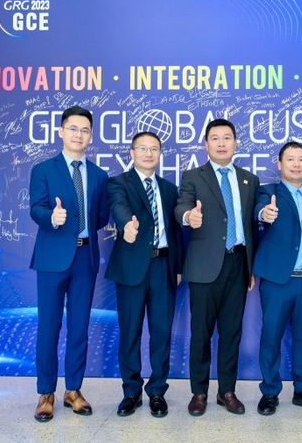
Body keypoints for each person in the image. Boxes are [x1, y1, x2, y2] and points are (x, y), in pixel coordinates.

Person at [29, 105, 110, 422]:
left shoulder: (99, 175)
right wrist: (52, 216)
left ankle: (73, 390)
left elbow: (100, 216)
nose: (79, 134)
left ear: (91, 136)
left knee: (79, 327)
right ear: (61, 132)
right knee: (49, 326)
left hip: (85, 258)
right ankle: (46, 392)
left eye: (85, 130)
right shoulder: (43, 170)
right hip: (52, 259)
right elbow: (35, 208)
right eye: (73, 129)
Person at [174, 118, 259, 416]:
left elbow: (251, 225)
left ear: (235, 143)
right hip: (204, 266)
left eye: (227, 137)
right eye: (215, 138)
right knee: (201, 332)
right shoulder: (193, 176)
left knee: (231, 332)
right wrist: (189, 217)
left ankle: (227, 391)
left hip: (238, 263)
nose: (221, 143)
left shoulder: (249, 179)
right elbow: (181, 206)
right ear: (206, 144)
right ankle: (199, 392)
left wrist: (250, 267)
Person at [106, 131, 183, 418]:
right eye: (142, 148)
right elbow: (119, 207)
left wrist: (178, 267)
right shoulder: (119, 183)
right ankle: (131, 392)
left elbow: (177, 233)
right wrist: (127, 225)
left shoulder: (170, 189)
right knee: (130, 332)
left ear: (160, 154)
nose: (148, 153)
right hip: (131, 268)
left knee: (161, 332)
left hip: (163, 267)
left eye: (154, 149)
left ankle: (157, 391)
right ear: (132, 153)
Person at [253, 141, 302, 416]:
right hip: (277, 281)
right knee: (271, 336)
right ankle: (270, 392)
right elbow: (259, 210)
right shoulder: (268, 192)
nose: (296, 164)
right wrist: (265, 213)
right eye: (290, 159)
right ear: (280, 164)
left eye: (301, 159)